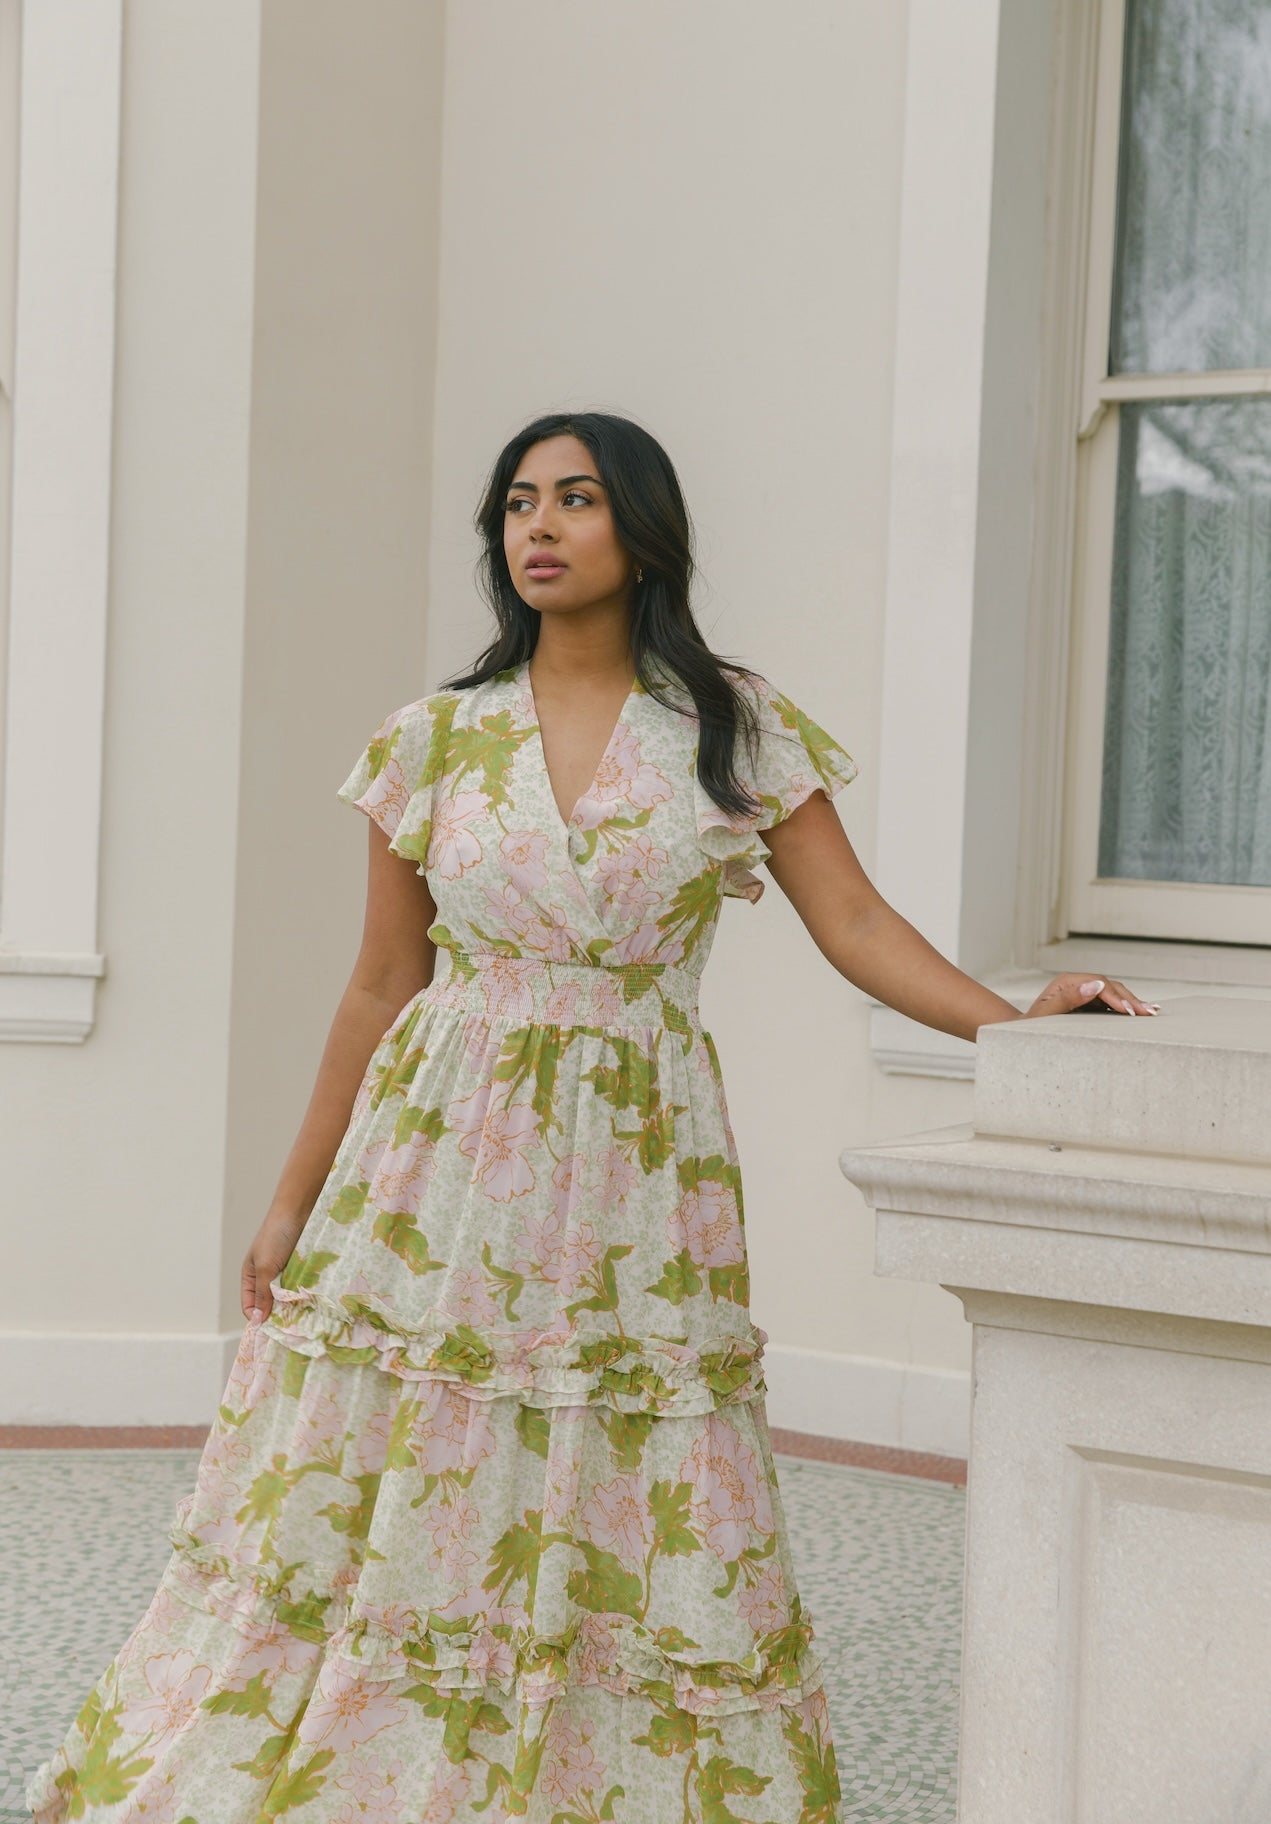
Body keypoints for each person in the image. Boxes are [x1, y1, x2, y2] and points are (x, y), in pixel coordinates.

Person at [29, 410, 1153, 1823]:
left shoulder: (727, 727)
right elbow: (381, 981)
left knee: (625, 1467)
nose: (539, 527)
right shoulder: (434, 738)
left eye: (575, 500)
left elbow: (854, 921)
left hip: (634, 1169)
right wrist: (290, 1197)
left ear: (643, 529)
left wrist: (1012, 1017)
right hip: (433, 1165)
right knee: (408, 1460)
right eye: (516, 504)